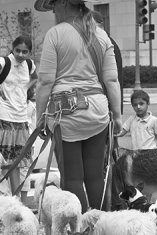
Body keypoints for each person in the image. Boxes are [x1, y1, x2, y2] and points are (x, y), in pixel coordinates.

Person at [34, 0, 122, 213]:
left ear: (63, 3)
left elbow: (45, 81)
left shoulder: (55, 34)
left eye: (53, 4)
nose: (53, 10)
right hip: (98, 110)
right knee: (95, 176)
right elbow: (111, 80)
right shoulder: (101, 35)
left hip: (66, 111)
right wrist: (117, 116)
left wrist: (40, 117)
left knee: (72, 177)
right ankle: (101, 227)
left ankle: (81, 232)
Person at [0, 36, 37, 197]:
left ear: (29, 52)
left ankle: (15, 198)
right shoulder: (3, 62)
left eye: (25, 51)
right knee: (0, 161)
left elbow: (35, 78)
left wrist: (25, 89)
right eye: (17, 50)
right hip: (3, 113)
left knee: (17, 162)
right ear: (12, 49)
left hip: (21, 116)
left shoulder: (29, 64)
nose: (20, 54)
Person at [91, 10, 124, 114]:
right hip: (105, 103)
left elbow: (112, 80)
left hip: (106, 105)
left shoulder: (107, 44)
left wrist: (116, 113)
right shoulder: (108, 42)